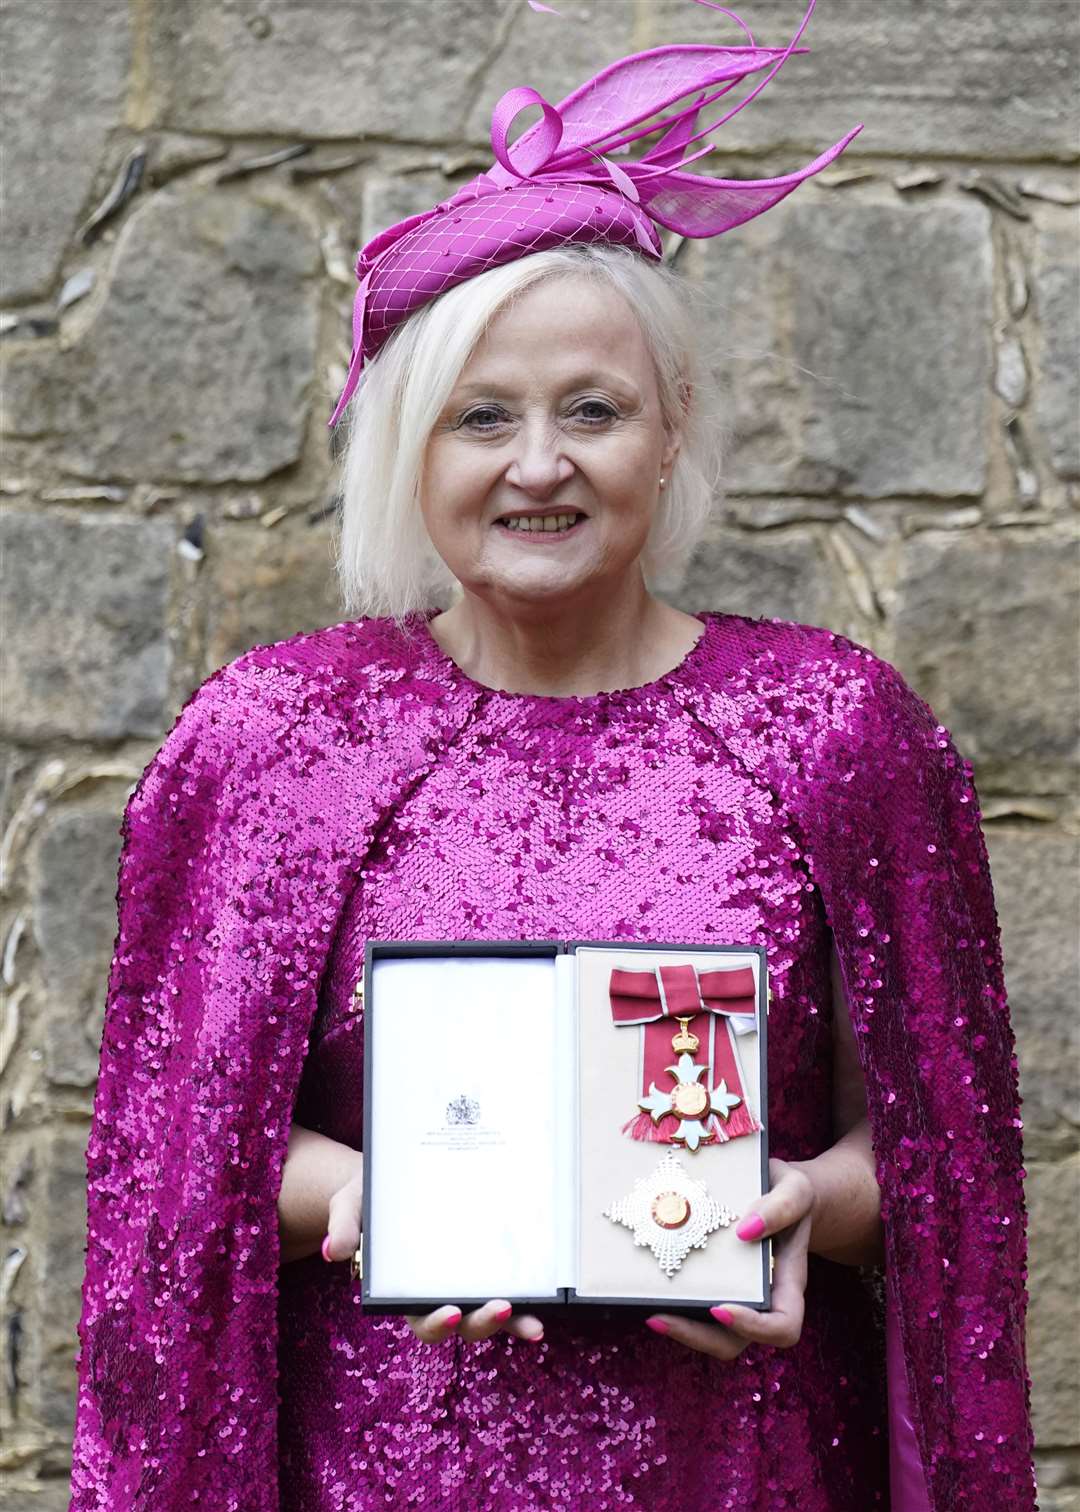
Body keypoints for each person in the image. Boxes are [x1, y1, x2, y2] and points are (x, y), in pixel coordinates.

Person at [69, 4, 1033, 1509]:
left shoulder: (838, 733)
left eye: (593, 409)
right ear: (409, 447)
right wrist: (375, 1200)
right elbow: (171, 1154)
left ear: (672, 432)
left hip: (747, 1464)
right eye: (481, 418)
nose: (539, 463)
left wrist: (796, 1210)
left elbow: (947, 1152)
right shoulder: (276, 743)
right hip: (386, 1470)